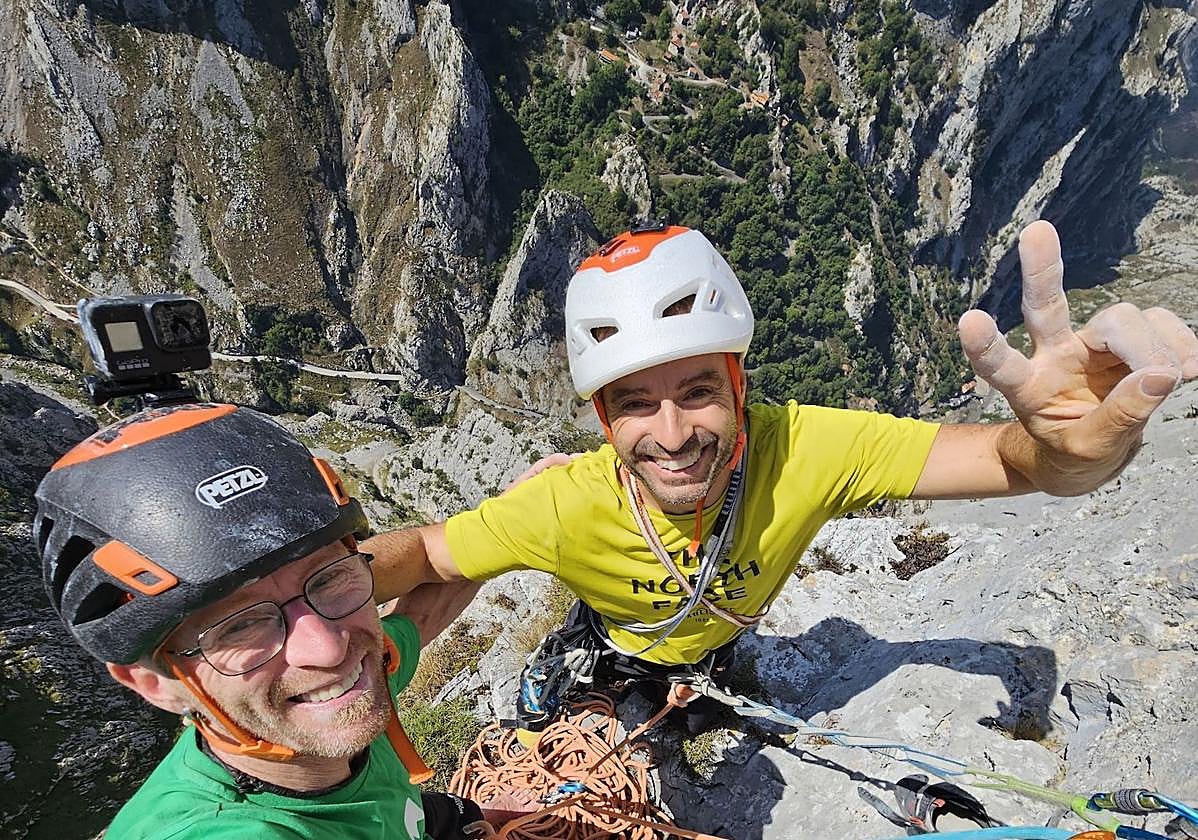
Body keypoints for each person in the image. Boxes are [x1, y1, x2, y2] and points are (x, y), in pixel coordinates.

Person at [365, 220, 1198, 734]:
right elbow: (434, 557)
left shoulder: (807, 448)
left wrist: (1063, 451)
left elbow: (999, 460)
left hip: (725, 646)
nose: (673, 435)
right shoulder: (561, 504)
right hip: (617, 651)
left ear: (740, 388)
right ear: (601, 421)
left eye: (698, 392)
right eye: (635, 406)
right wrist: (297, 586)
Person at [34, 403, 526, 839]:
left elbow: (421, 606)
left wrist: (513, 516)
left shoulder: (346, 682)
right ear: (153, 684)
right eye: (241, 625)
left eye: (329, 579)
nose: (327, 649)